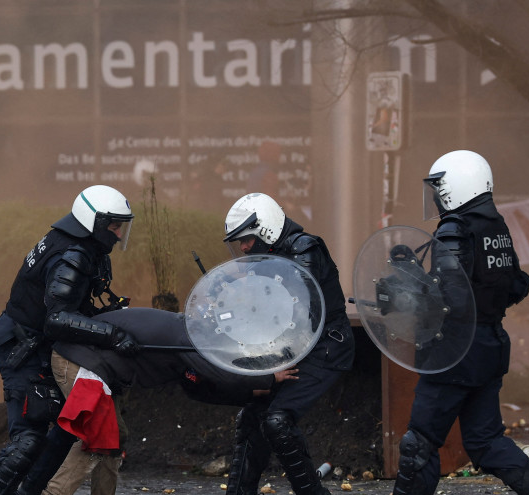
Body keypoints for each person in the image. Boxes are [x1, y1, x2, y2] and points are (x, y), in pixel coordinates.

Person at [392, 150, 529, 495]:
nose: (436, 197)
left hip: (453, 355)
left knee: (419, 447)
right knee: (486, 443)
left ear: (456, 186)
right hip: (489, 348)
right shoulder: (495, 226)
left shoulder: (454, 231)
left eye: (439, 188)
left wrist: (408, 290)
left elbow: (451, 302)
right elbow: (517, 284)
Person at [20, 307, 296, 495]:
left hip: (95, 368)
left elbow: (198, 388)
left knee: (114, 437)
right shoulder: (189, 334)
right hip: (80, 362)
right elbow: (221, 374)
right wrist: (269, 379)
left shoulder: (189, 340)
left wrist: (251, 393)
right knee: (95, 436)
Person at [0, 185, 137, 495]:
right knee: (28, 440)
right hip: (22, 350)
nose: (118, 233)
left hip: (42, 346)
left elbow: (71, 306)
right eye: (114, 226)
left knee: (68, 427)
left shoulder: (82, 245)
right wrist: (113, 334)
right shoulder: (71, 253)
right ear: (95, 223)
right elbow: (58, 318)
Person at [221, 192, 355, 495]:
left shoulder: (304, 250)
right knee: (252, 416)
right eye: (239, 242)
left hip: (324, 349)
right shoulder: (265, 258)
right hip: (292, 348)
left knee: (277, 420)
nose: (242, 248)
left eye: (247, 239)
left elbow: (298, 311)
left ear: (265, 229)